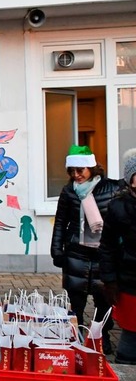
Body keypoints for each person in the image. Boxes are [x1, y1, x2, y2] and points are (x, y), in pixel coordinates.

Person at [50, 145, 120, 354]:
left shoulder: (112, 189)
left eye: (80, 170)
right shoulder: (68, 191)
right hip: (76, 253)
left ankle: (101, 337)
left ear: (91, 168)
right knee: (76, 300)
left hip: (103, 254)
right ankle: (77, 333)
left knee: (103, 299)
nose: (76, 175)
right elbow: (61, 222)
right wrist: (57, 249)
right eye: (72, 171)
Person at [99, 148, 136, 364]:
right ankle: (126, 367)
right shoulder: (118, 207)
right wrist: (110, 280)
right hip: (130, 281)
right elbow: (107, 247)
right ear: (130, 178)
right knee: (131, 335)